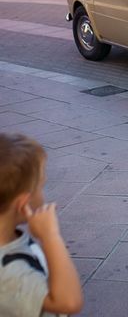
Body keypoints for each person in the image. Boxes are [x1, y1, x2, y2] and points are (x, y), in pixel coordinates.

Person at [0, 133, 83, 316]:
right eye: (40, 186)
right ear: (23, 204)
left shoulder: (10, 239)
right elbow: (68, 302)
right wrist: (51, 237)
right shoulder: (8, 272)